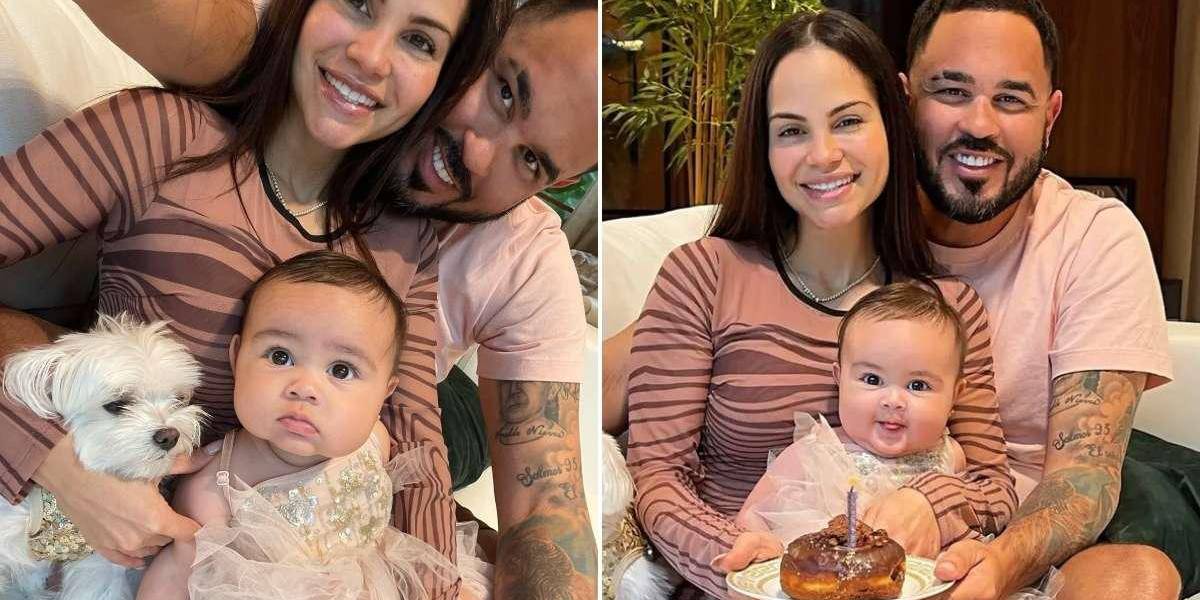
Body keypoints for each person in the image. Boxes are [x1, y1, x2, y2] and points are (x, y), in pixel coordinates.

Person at [0, 0, 600, 596]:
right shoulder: (162, 135)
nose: (371, 58)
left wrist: (434, 587)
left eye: (420, 41)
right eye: (359, 4)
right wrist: (57, 461)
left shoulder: (404, 243)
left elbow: (416, 447)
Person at [623, 11, 1015, 597]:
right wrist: (738, 559)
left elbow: (994, 489)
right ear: (764, 147)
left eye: (848, 121)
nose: (823, 154)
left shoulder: (949, 308)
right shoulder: (704, 275)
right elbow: (657, 476)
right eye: (791, 131)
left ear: (890, 123)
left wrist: (928, 503)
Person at [900, 1, 1186, 599]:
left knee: (1136, 578)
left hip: (1042, 526)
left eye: (1010, 99)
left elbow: (1083, 476)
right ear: (904, 100)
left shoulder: (1094, 234)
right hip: (889, 513)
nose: (980, 125)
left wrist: (995, 567)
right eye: (951, 91)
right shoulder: (841, 227)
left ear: (1049, 116)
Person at [138, 251, 459, 600]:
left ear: (384, 391)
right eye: (281, 356)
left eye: (341, 370)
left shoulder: (376, 443)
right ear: (237, 357)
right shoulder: (213, 490)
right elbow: (175, 575)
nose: (304, 387)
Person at [735, 282, 974, 543]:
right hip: (823, 564)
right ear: (839, 378)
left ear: (955, 395)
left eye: (918, 385)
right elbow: (751, 515)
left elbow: (964, 521)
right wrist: (763, 548)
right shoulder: (816, 452)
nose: (893, 401)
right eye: (872, 379)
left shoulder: (951, 456)